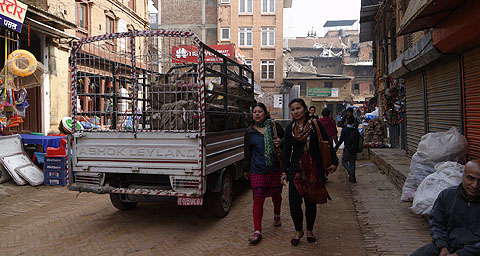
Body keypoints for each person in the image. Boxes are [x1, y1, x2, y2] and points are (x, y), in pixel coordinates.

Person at [281, 98, 338, 246]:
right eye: (293, 109)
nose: (296, 112)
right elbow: (286, 151)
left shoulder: (315, 125)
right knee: (294, 203)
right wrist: (284, 172)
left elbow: (326, 143)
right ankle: (298, 230)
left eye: (298, 108)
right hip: (296, 171)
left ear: (305, 109)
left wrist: (334, 162)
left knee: (310, 203)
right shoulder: (290, 129)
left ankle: (310, 230)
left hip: (314, 170)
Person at [411, 160, 480, 256]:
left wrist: (461, 254)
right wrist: (442, 246)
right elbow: (436, 223)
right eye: (470, 178)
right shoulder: (447, 195)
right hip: (448, 245)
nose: (475, 185)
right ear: (463, 176)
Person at [243, 102, 284, 245]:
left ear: (265, 113)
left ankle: (277, 215)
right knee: (258, 198)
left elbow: (285, 142)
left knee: (276, 195)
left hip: (274, 168)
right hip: (257, 170)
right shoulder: (249, 132)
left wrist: (281, 141)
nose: (257, 114)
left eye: (260, 111)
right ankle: (257, 231)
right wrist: (246, 169)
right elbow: (247, 152)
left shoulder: (274, 127)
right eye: (254, 112)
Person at [335, 115, 359, 183]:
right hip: (354, 149)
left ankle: (349, 171)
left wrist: (336, 147)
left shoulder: (345, 130)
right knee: (352, 163)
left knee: (344, 161)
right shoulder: (355, 130)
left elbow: (341, 140)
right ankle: (352, 178)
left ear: (347, 121)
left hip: (347, 148)